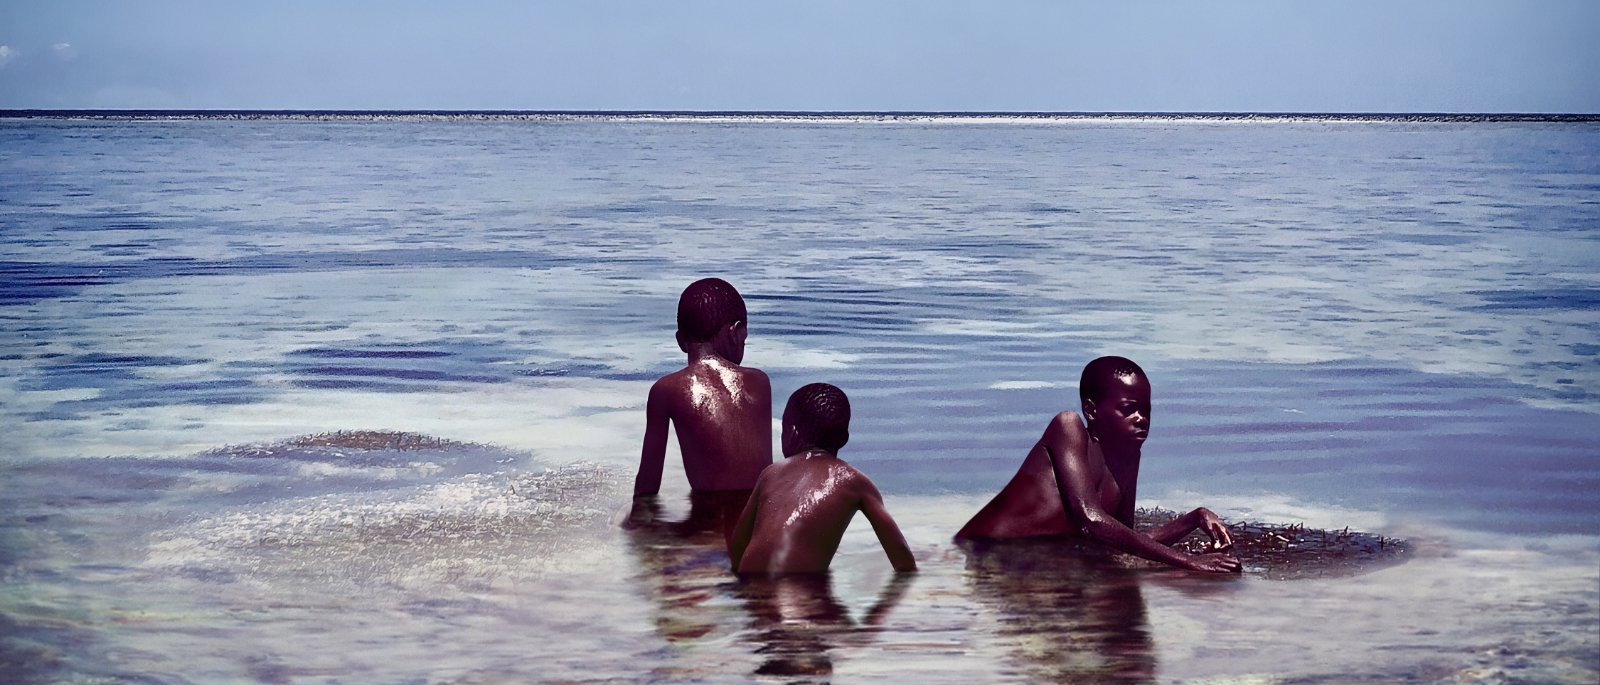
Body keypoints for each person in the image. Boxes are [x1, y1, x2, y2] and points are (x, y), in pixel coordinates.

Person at [956, 356, 1240, 573]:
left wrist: (1193, 519)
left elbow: (1122, 541)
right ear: (1091, 411)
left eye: (1146, 410)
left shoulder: (1129, 455)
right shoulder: (1068, 428)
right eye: (1129, 409)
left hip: (1036, 564)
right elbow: (1090, 520)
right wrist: (1189, 561)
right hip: (980, 555)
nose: (1141, 418)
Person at [629, 278, 773, 534]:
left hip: (708, 526)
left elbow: (648, 485)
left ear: (680, 341)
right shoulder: (759, 382)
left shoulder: (665, 390)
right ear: (736, 332)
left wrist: (635, 525)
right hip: (760, 524)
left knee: (630, 521)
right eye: (745, 340)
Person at [729, 383, 916, 574]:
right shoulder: (855, 482)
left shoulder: (770, 473)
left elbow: (738, 546)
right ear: (844, 438)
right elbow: (899, 551)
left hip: (751, 588)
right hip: (800, 595)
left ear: (792, 432)